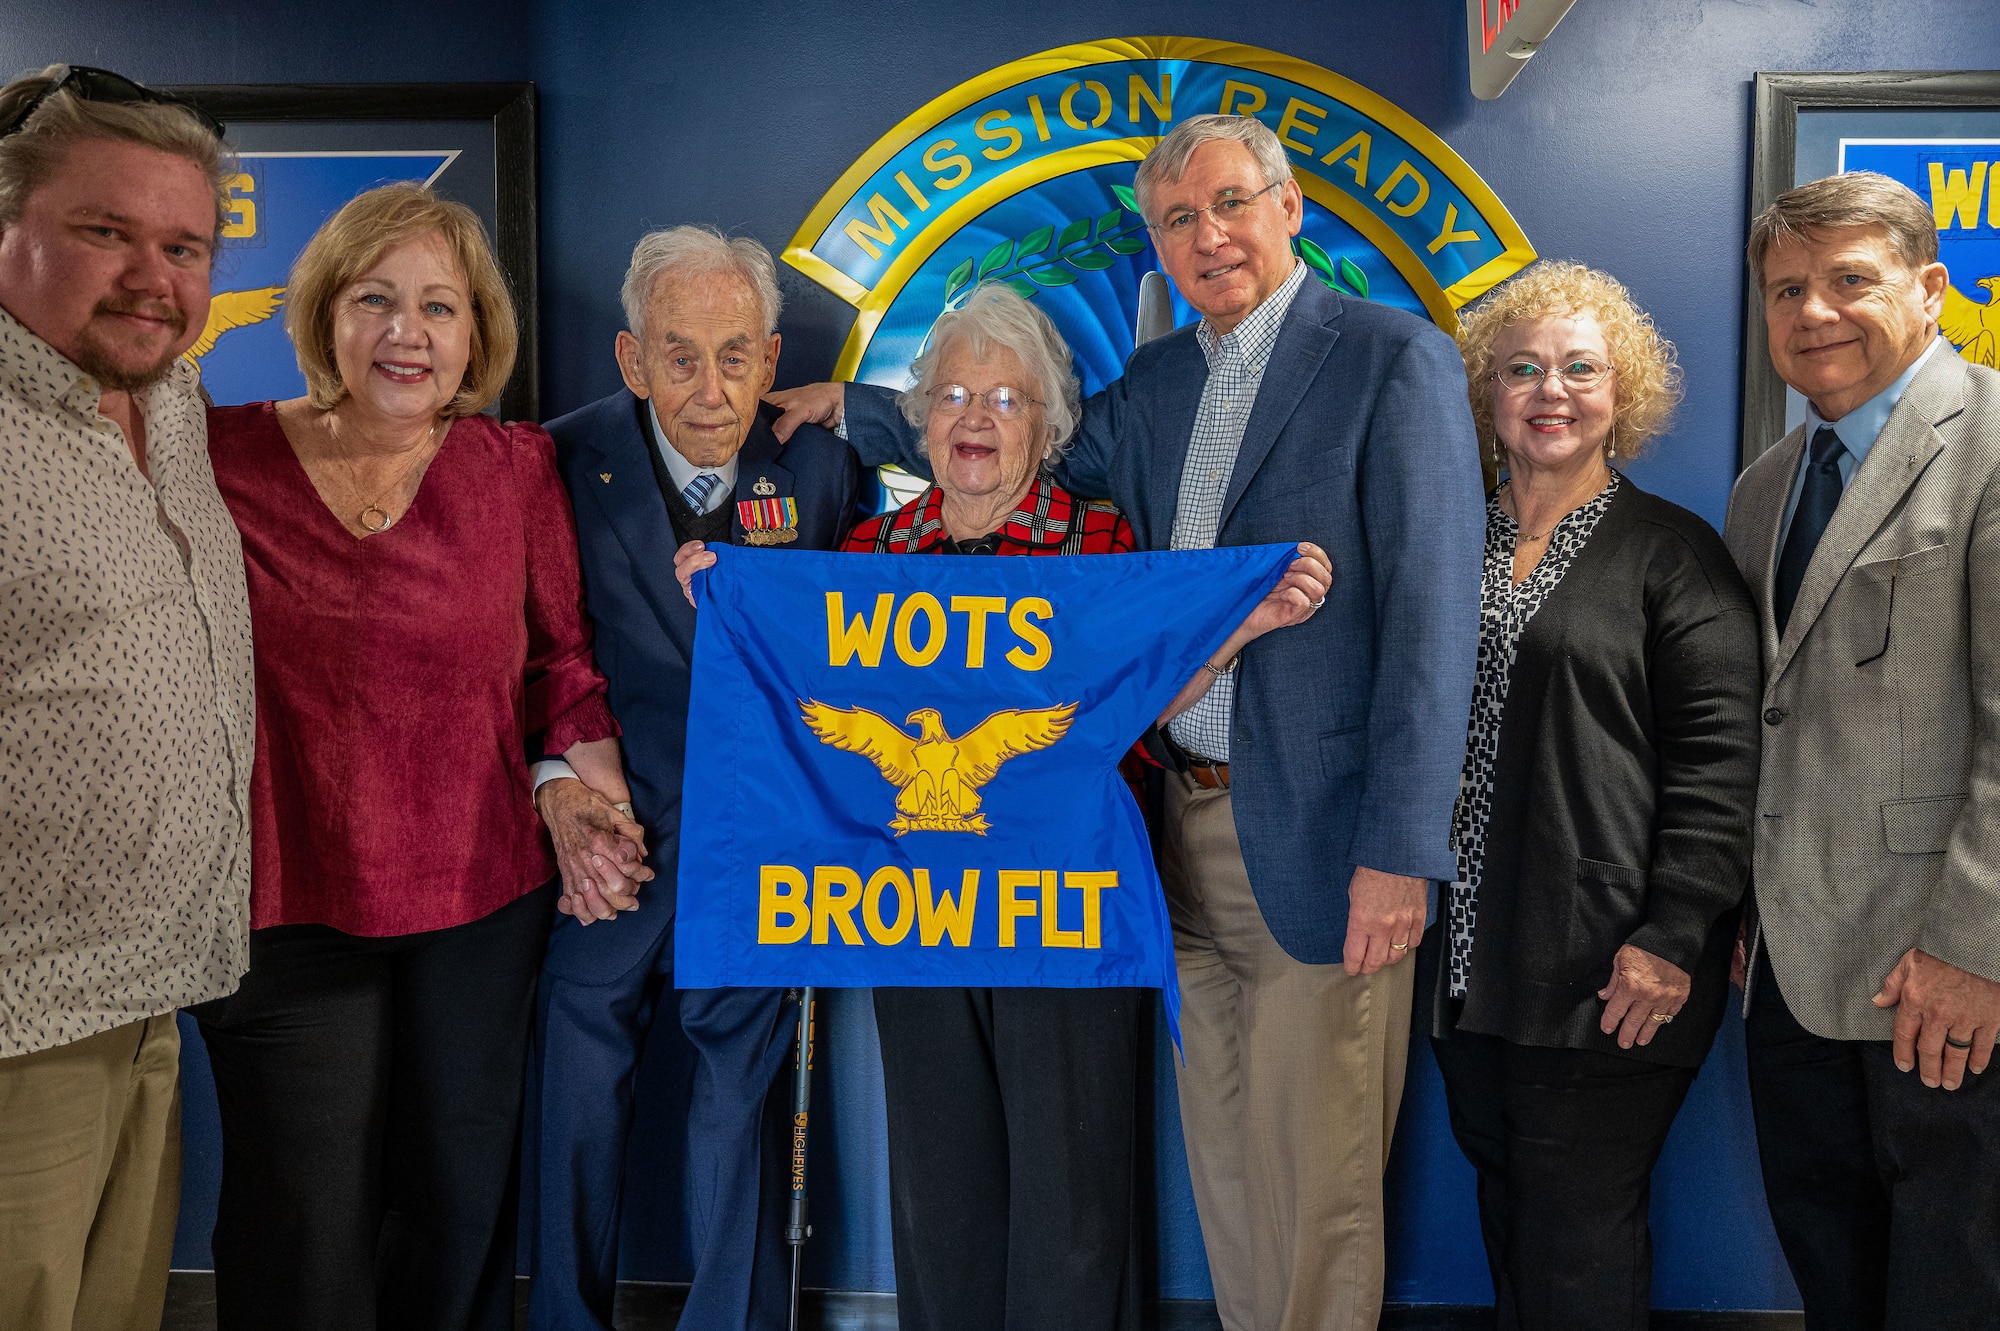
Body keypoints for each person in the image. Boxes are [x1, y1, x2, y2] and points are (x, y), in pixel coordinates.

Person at [770, 111, 1483, 1330]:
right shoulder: (1157, 382)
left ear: (1288, 204)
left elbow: (1431, 617)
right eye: (1176, 219)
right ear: (1153, 244)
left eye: (1228, 203)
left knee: (1316, 1179)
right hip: (1177, 838)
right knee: (1225, 1158)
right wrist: (857, 403)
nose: (1206, 236)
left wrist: (1400, 849)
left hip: (1322, 835)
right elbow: (1008, 434)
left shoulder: (1389, 356)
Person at [683, 284, 1330, 1331]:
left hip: (1064, 908)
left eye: (1004, 398)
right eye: (949, 393)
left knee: (1071, 1191)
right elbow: (804, 709)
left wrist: (1231, 626)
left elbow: (1132, 700)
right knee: (939, 1189)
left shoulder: (1101, 544)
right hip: (913, 915)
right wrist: (718, 600)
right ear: (921, 417)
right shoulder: (868, 555)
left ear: (1048, 423)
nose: (973, 416)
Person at [194, 182, 642, 1331]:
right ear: (323, 315)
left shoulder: (511, 468)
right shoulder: (218, 455)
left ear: (475, 334)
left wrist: (582, 804)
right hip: (287, 893)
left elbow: (563, 662)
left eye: (440, 307)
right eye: (376, 299)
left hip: (476, 889)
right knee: (305, 1197)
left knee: (454, 1187)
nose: (408, 332)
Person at [529, 225, 862, 1331]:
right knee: (575, 1111)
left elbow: (855, 649)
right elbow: (522, 647)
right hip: (606, 849)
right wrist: (557, 789)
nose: (711, 387)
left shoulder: (820, 460)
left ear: (771, 359)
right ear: (633, 360)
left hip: (755, 852)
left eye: (735, 355)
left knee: (736, 1118)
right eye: (680, 355)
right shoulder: (558, 459)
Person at [1419, 261, 1761, 1329]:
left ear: (1624, 394)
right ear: (1486, 394)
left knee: (1579, 1239)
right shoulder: (1447, 540)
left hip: (1613, 964)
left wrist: (1670, 934)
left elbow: (1721, 762)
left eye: (1578, 368)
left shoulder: (1672, 554)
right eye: (1519, 369)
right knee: (1511, 1211)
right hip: (1469, 963)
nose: (1548, 390)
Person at [1724, 170, 2000, 1330]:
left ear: (1929, 289)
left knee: (1948, 1282)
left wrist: (1973, 947)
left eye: (1849, 280)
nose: (1812, 312)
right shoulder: (1763, 488)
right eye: (1787, 289)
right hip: (1786, 964)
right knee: (1830, 1265)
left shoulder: (1988, 440)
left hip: (1933, 966)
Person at [0, 65, 248, 1331]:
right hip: (19, 1015)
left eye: (185, 245)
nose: (156, 276)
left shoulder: (174, 395)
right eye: (105, 232)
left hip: (150, 991)